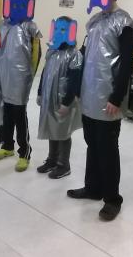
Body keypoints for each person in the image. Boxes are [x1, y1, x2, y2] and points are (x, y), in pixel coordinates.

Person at [67, 0, 133, 222]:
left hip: (108, 96)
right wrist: (77, 88)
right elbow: (85, 56)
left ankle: (112, 198)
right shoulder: (94, 21)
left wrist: (116, 97)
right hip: (89, 94)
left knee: (107, 149)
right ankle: (93, 187)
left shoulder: (125, 23)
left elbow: (126, 64)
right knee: (92, 143)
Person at [0, 0, 42, 172]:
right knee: (7, 113)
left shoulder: (30, 27)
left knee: (19, 115)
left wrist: (30, 76)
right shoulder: (3, 25)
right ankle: (7, 146)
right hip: (5, 75)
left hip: (21, 78)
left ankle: (24, 152)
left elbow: (36, 53)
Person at [36, 16, 83, 179]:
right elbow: (44, 73)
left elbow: (75, 81)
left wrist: (67, 102)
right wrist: (40, 92)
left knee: (62, 132)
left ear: (71, 32)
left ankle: (64, 165)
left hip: (63, 100)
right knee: (52, 128)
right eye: (56, 29)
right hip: (49, 98)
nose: (58, 32)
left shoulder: (75, 55)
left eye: (62, 29)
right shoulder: (52, 51)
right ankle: (52, 160)